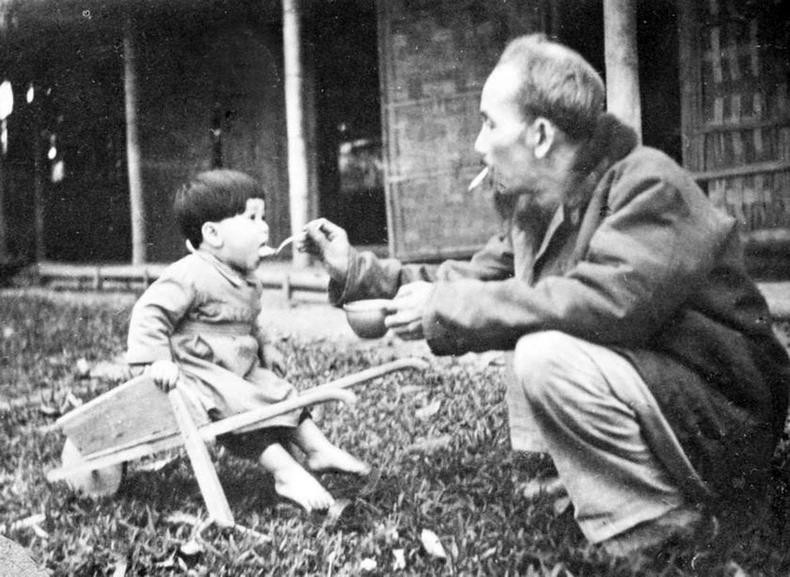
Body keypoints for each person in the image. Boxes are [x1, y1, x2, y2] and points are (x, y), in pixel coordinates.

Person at [303, 34, 790, 554]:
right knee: (521, 314)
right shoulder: (539, 207)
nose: (478, 144)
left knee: (544, 349)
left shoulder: (649, 184)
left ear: (539, 135)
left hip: (724, 420)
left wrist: (449, 308)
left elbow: (606, 304)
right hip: (664, 400)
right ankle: (572, 484)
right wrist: (357, 271)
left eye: (489, 123)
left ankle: (653, 527)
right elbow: (474, 282)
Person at [126, 169, 369, 513]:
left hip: (238, 366)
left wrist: (265, 345)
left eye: (264, 216)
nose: (265, 227)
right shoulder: (190, 272)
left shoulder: (247, 280)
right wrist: (157, 360)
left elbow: (249, 320)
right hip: (199, 372)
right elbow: (150, 313)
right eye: (252, 218)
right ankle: (285, 472)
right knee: (240, 409)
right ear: (212, 234)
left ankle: (317, 449)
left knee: (278, 393)